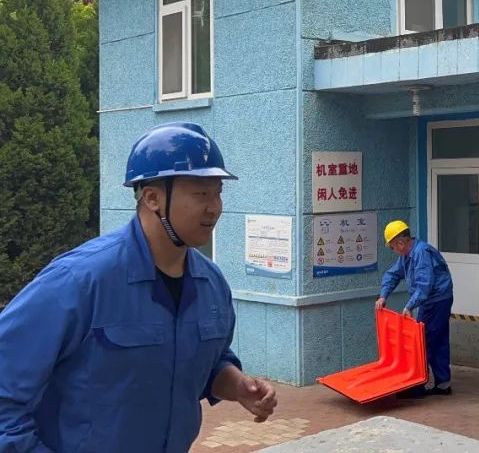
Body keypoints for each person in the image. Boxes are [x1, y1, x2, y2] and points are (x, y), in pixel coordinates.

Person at [0, 122, 277, 453]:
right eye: (200, 193)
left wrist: (236, 384)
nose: (214, 207)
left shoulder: (212, 285)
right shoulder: (79, 281)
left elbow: (209, 362)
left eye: (217, 192)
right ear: (153, 198)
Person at [376, 220, 454, 398]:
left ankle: (416, 386)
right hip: (433, 300)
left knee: (424, 342)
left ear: (400, 243)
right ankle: (443, 384)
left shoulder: (421, 253)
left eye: (392, 247)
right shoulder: (407, 255)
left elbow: (424, 285)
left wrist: (409, 306)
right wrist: (383, 295)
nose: (393, 251)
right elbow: (392, 274)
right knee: (436, 340)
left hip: (437, 301)